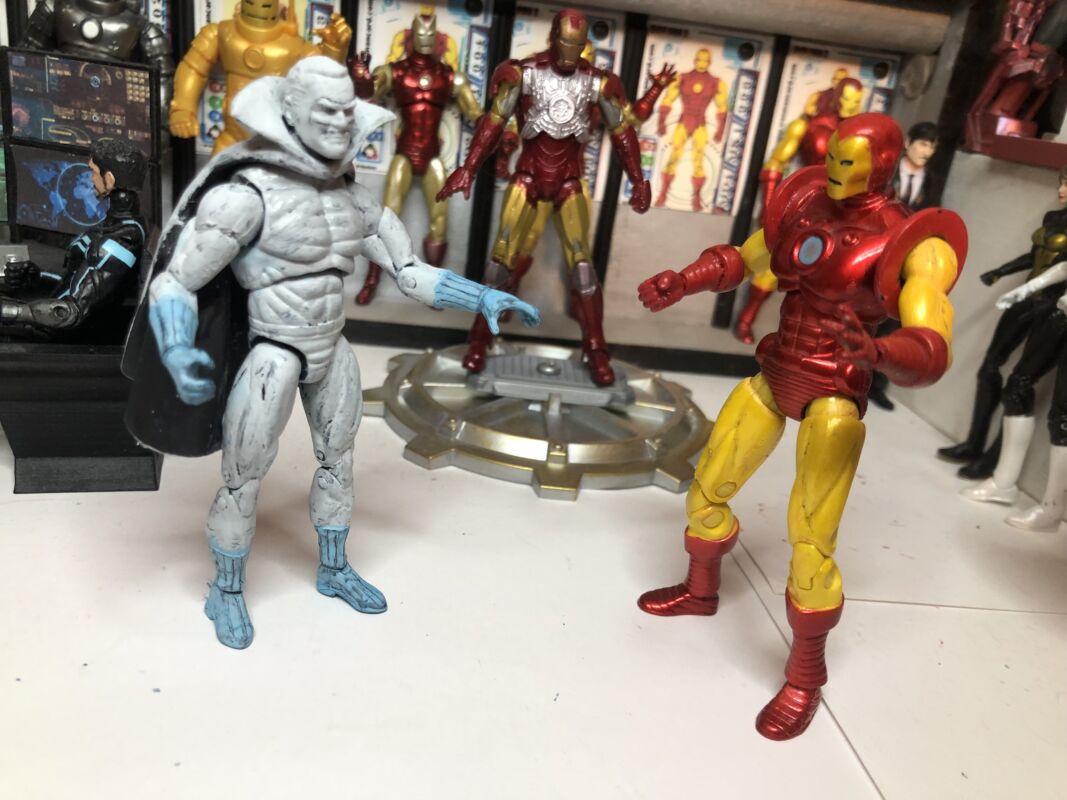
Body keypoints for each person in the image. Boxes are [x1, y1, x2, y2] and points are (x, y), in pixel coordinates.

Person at [122, 57, 540, 649]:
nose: (341, 124)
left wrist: (481, 297)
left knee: (338, 461)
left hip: (331, 346)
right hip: (274, 350)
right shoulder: (246, 196)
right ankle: (227, 589)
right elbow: (176, 281)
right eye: (327, 111)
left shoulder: (353, 198)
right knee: (243, 475)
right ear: (290, 113)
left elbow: (408, 270)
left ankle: (334, 568)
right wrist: (175, 345)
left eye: (347, 112)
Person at [635, 113, 965, 740]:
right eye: (833, 155)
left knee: (810, 542)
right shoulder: (808, 201)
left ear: (881, 167)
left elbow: (932, 345)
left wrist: (882, 351)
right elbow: (745, 257)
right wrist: (685, 280)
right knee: (706, 488)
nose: (834, 168)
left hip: (834, 396)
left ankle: (804, 676)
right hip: (776, 369)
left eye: (849, 161)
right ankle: (701, 591)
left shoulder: (913, 242)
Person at [436, 8, 651, 387]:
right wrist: (468, 167)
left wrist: (638, 179)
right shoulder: (523, 74)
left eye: (577, 46)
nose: (570, 53)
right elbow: (494, 121)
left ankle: (596, 349)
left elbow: (621, 131)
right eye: (565, 43)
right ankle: (479, 341)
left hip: (569, 181)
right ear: (553, 38)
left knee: (582, 267)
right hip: (528, 178)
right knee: (498, 264)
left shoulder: (598, 83)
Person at [0, 140, 147, 339]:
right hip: (55, 326)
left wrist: (11, 311)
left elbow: (70, 313)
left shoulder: (124, 238)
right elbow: (74, 282)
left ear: (109, 179)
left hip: (61, 338)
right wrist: (36, 277)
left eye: (93, 172)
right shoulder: (115, 226)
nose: (91, 179)